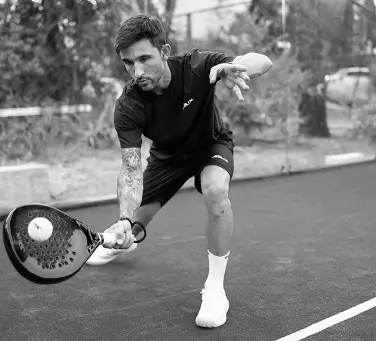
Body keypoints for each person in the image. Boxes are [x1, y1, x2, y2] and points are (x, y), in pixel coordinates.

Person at [86, 14, 273, 328]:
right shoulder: (129, 105)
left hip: (210, 145)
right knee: (133, 223)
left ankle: (215, 290)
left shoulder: (199, 66)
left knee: (216, 191)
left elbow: (263, 61)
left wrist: (235, 66)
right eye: (129, 63)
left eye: (145, 58)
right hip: (167, 158)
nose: (138, 71)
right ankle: (120, 238)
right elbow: (131, 168)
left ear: (164, 50)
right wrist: (124, 216)